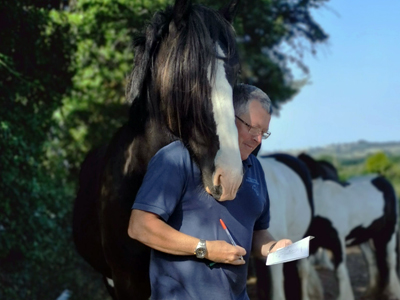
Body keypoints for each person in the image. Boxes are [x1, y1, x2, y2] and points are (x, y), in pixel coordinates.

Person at [128, 84, 292, 300]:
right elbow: (139, 227)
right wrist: (204, 249)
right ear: (227, 118)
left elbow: (258, 233)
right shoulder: (177, 158)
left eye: (264, 132)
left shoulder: (255, 168)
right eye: (253, 128)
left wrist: (273, 248)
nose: (258, 139)